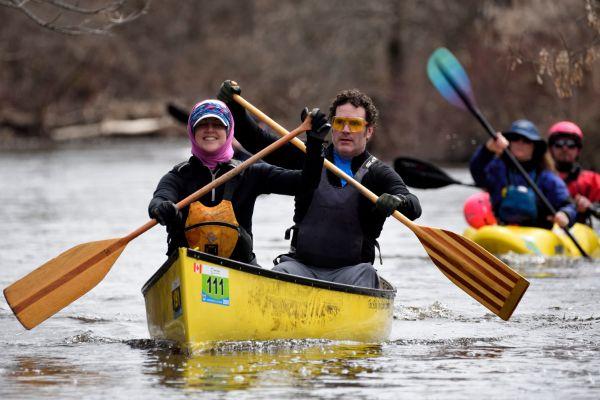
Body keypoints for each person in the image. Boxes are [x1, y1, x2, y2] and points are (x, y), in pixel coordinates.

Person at [217, 81, 422, 288]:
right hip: (300, 268)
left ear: (368, 131)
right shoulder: (310, 157)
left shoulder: (379, 173)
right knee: (280, 272)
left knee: (366, 274)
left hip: (354, 273)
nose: (346, 130)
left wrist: (399, 201)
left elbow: (413, 206)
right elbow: (256, 141)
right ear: (332, 126)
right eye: (339, 123)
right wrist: (235, 106)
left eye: (354, 124)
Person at [148, 99, 329, 264]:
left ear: (228, 132)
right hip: (186, 265)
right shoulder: (178, 176)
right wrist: (161, 208)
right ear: (192, 131)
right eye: (202, 124)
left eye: (217, 124)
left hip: (240, 267)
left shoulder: (250, 172)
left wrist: (315, 145)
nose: (210, 129)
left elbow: (306, 183)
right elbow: (159, 199)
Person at [469, 119, 576, 230]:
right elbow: (477, 172)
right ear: (510, 142)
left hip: (537, 233)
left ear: (534, 146)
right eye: (515, 139)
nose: (520, 143)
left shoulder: (547, 177)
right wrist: (487, 150)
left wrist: (565, 214)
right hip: (502, 230)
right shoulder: (497, 169)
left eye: (526, 140)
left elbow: (568, 205)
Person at [547, 121, 600, 225]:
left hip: (582, 231)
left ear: (578, 150)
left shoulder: (593, 180)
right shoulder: (540, 178)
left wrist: (591, 206)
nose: (565, 149)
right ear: (551, 149)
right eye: (559, 144)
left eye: (571, 145)